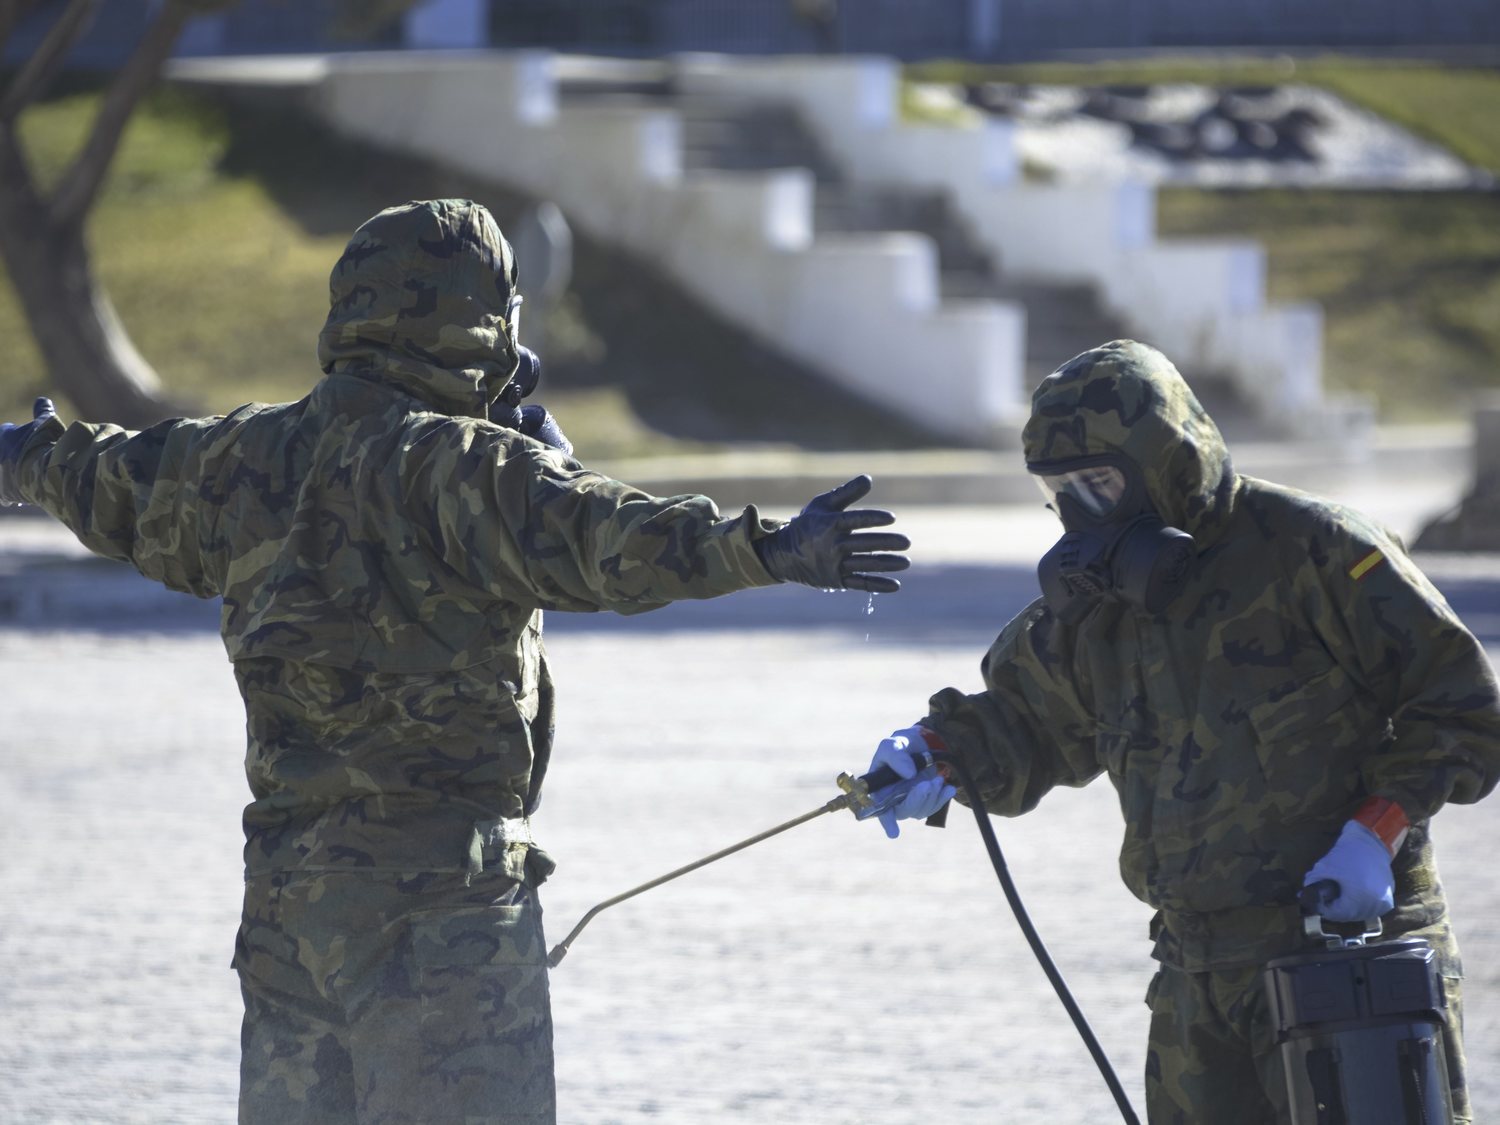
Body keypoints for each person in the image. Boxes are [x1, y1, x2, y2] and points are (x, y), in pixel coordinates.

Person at [0, 198, 910, 1125]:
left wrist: (28, 455)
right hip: (442, 923)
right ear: (485, 325)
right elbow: (611, 537)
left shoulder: (240, 455)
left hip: (287, 912)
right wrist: (772, 546)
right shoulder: (464, 466)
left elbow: (106, 475)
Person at [865, 339, 1500, 1123]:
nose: (1082, 511)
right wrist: (934, 753)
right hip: (1196, 972)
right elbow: (1027, 724)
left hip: (1348, 954)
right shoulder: (1094, 605)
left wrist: (1379, 829)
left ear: (1166, 460)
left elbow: (1463, 705)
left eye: (1099, 481)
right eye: (1059, 490)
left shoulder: (1316, 550)